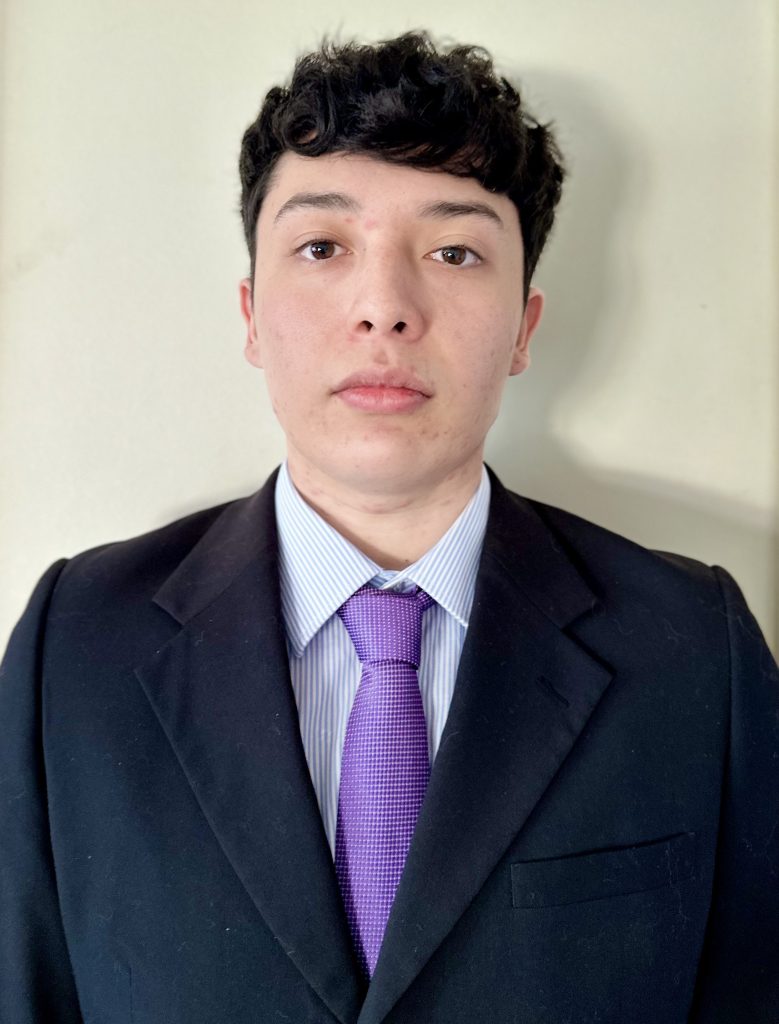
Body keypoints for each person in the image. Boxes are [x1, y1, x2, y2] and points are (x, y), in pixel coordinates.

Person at [1, 30, 777, 1024]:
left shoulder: (690, 646)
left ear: (523, 326)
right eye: (322, 247)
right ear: (251, 313)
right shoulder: (77, 642)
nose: (384, 308)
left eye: (453, 251)